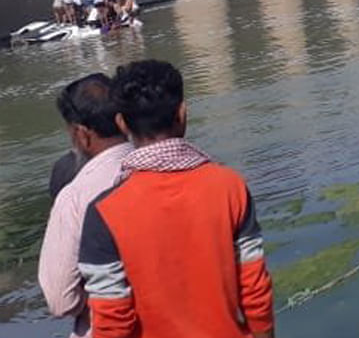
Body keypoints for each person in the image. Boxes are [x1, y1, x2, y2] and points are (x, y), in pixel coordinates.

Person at [78, 61, 274, 338]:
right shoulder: (229, 186)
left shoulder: (104, 211)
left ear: (122, 123)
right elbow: (254, 289)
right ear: (182, 114)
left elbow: (112, 319)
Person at [39, 75, 133, 338]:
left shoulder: (75, 197)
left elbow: (61, 300)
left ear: (81, 134)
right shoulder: (161, 169)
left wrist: (104, 292)